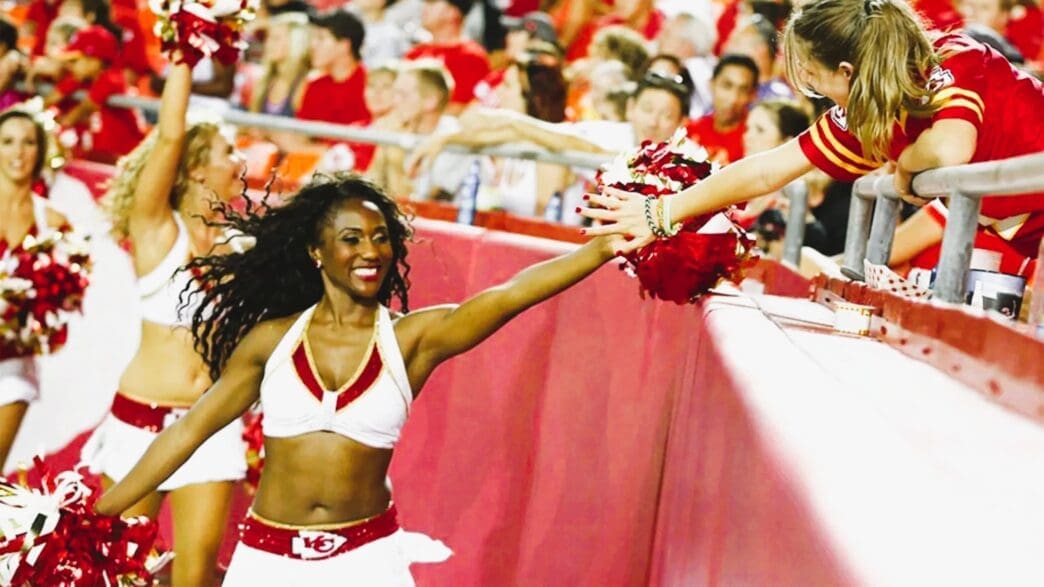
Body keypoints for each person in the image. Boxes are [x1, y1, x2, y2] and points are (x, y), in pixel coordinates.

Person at [95, 173, 619, 584]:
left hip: (366, 561)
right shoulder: (272, 341)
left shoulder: (413, 340)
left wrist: (603, 248)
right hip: (266, 561)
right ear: (317, 252)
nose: (371, 251)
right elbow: (189, 431)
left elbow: (510, 294)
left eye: (380, 238)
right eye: (351, 239)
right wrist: (95, 514)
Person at [581, 0, 1044, 262]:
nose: (813, 92)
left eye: (813, 79)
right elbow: (767, 171)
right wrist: (664, 210)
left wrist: (905, 165)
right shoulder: (866, 112)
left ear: (845, 71)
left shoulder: (949, 59)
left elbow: (948, 151)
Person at [82, 60, 247, 587]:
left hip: (212, 427)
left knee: (196, 577)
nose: (240, 160)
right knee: (117, 568)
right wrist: (184, 54)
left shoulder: (245, 249)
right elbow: (170, 133)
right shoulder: (158, 230)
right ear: (197, 168)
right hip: (141, 425)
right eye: (229, 151)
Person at [0, 107, 71, 469]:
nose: (18, 152)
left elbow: (66, 304)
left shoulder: (54, 223)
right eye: (8, 141)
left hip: (12, 367)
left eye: (29, 142)